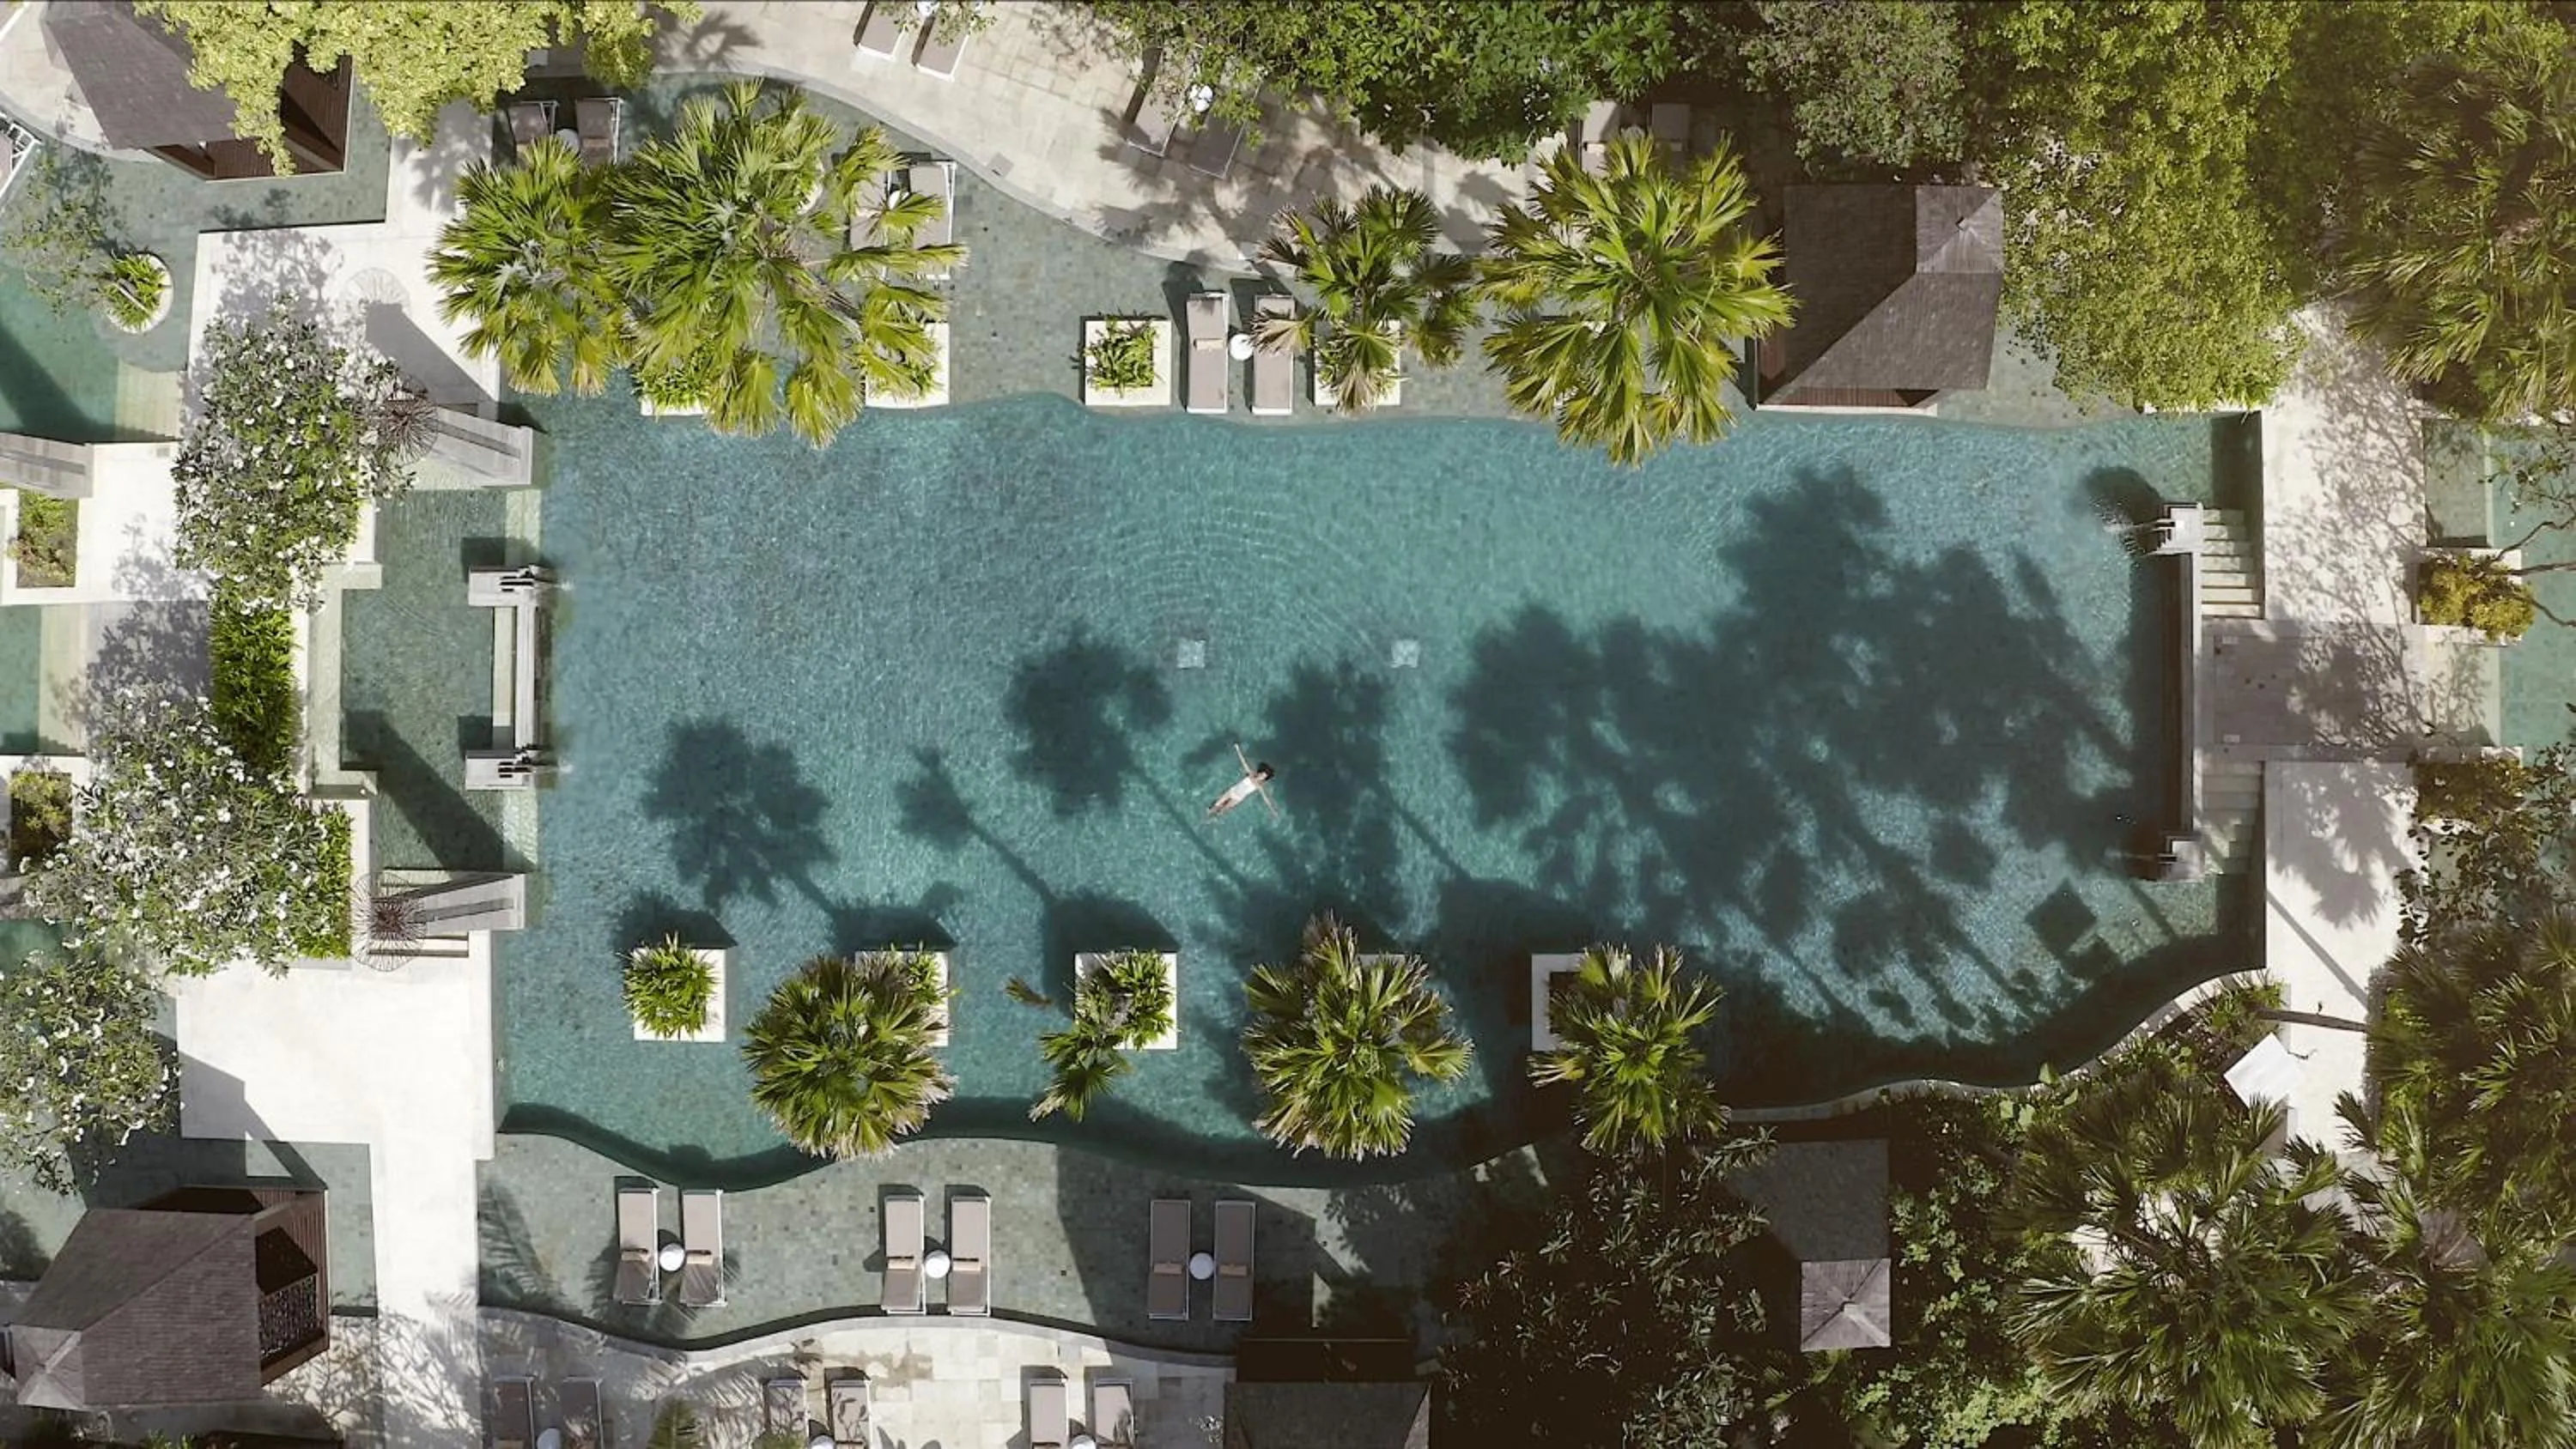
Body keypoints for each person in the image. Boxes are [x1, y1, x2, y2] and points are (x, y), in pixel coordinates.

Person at [1206, 760, 1276, 819]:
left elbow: (1265, 799)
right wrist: (1237, 749)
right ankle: (1207, 813)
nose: (1261, 777)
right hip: (1232, 791)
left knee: (1222, 811)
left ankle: (1211, 819)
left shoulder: (1259, 786)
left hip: (1237, 798)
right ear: (1260, 772)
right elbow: (1244, 762)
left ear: (1264, 779)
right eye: (1262, 774)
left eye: (1263, 777)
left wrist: (1272, 810)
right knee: (1216, 804)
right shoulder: (1250, 774)